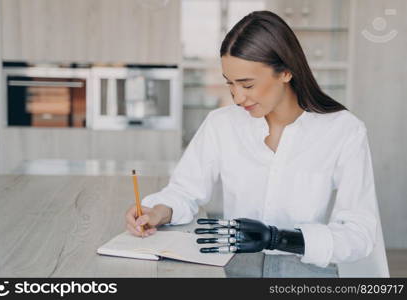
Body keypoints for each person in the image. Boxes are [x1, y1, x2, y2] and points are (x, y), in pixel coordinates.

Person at [125, 11, 378, 277]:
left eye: (247, 84)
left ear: (286, 71)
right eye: (230, 84)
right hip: (235, 265)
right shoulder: (221, 124)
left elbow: (358, 233)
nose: (237, 97)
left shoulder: (343, 130)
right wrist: (158, 211)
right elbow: (184, 190)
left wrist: (276, 238)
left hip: (305, 269)